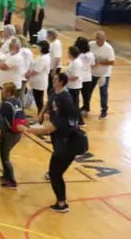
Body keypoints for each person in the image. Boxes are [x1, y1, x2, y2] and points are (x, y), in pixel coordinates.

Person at [24, 72, 85, 213]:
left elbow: (47, 130)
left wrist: (26, 129)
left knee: (55, 174)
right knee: (55, 172)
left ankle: (62, 203)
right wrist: (42, 113)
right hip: (63, 144)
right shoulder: (56, 96)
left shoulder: (63, 114)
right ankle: (61, 200)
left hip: (67, 146)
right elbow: (49, 103)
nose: (53, 80)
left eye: (56, 79)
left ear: (62, 82)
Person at [0, 82, 27, 190]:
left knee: (5, 157)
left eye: (4, 90)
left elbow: (0, 118)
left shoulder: (5, 104)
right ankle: (6, 177)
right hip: (17, 133)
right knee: (5, 155)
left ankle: (11, 180)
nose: (2, 92)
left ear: (8, 92)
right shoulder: (18, 102)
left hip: (9, 134)